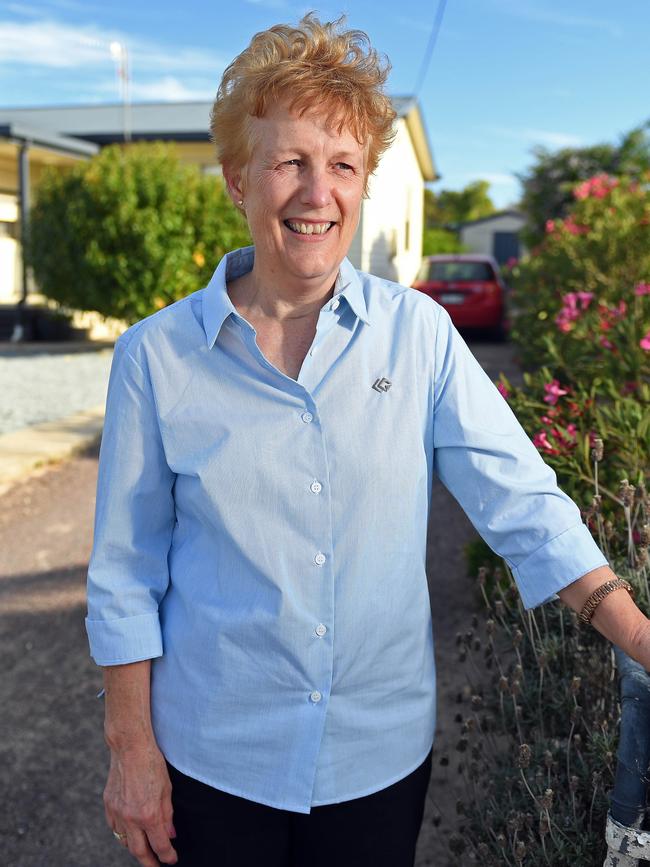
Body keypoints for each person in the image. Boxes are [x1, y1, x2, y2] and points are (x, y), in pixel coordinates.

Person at [85, 14, 650, 867]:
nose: (319, 194)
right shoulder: (155, 356)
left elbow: (523, 503)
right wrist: (132, 750)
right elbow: (126, 571)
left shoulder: (417, 333)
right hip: (212, 756)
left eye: (343, 166)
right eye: (290, 163)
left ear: (363, 184)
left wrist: (638, 635)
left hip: (375, 759)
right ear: (239, 180)